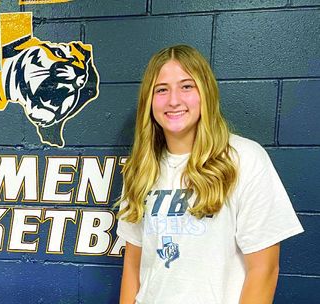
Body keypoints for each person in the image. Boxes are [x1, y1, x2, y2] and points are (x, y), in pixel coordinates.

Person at [116, 45, 303, 304]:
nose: (173, 100)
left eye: (186, 86)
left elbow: (265, 270)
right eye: (161, 90)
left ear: (206, 92)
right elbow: (133, 267)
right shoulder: (141, 168)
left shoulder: (244, 158)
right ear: (149, 100)